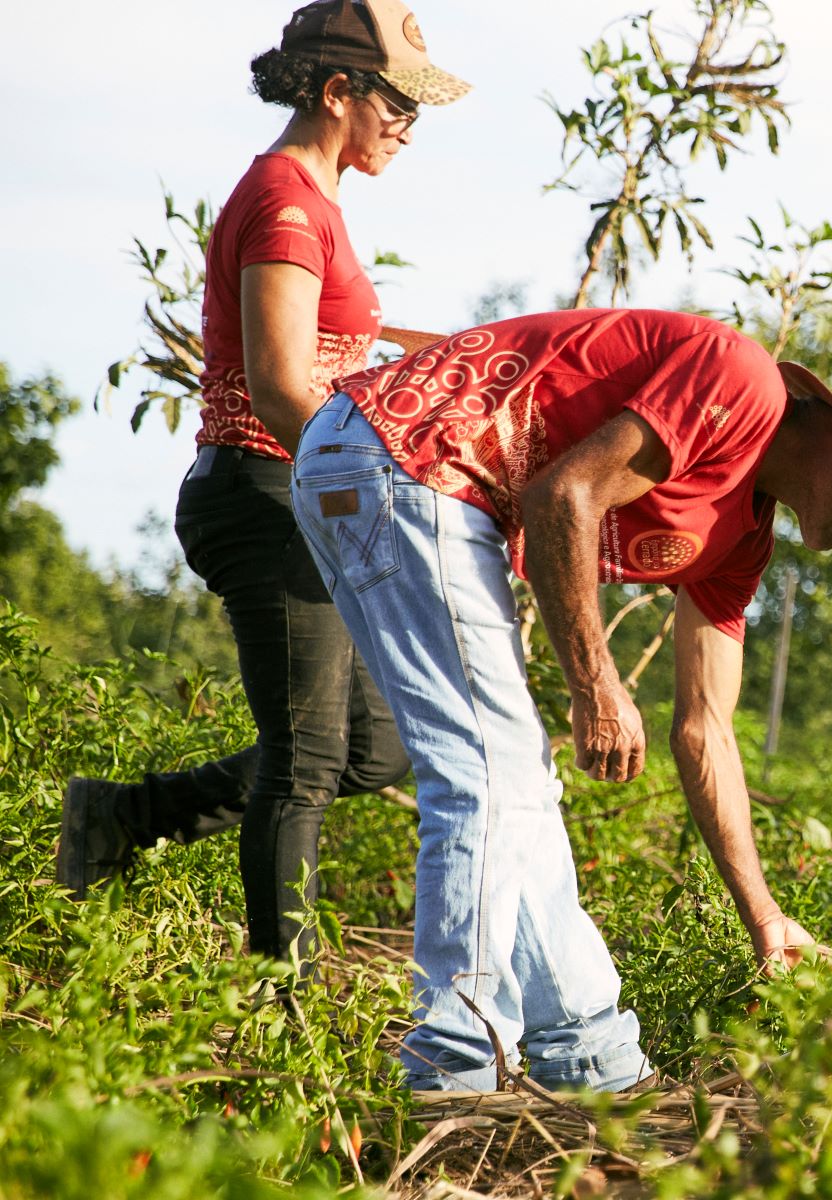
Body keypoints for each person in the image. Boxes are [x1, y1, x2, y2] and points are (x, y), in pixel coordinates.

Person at [284, 308, 832, 1091]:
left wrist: (765, 917)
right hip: (401, 459)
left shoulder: (739, 544)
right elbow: (562, 498)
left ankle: (588, 1055)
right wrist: (595, 684)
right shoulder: (739, 384)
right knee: (484, 774)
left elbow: (707, 732)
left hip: (379, 471)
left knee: (516, 782)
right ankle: (454, 1070)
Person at [56, 0, 470, 971]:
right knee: (308, 760)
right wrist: (391, 470)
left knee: (380, 751)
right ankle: (280, 995)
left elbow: (319, 349)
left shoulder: (313, 202)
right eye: (399, 107)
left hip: (299, 495)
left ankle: (120, 817)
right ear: (338, 93)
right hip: (265, 491)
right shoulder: (286, 204)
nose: (408, 128)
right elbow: (284, 389)